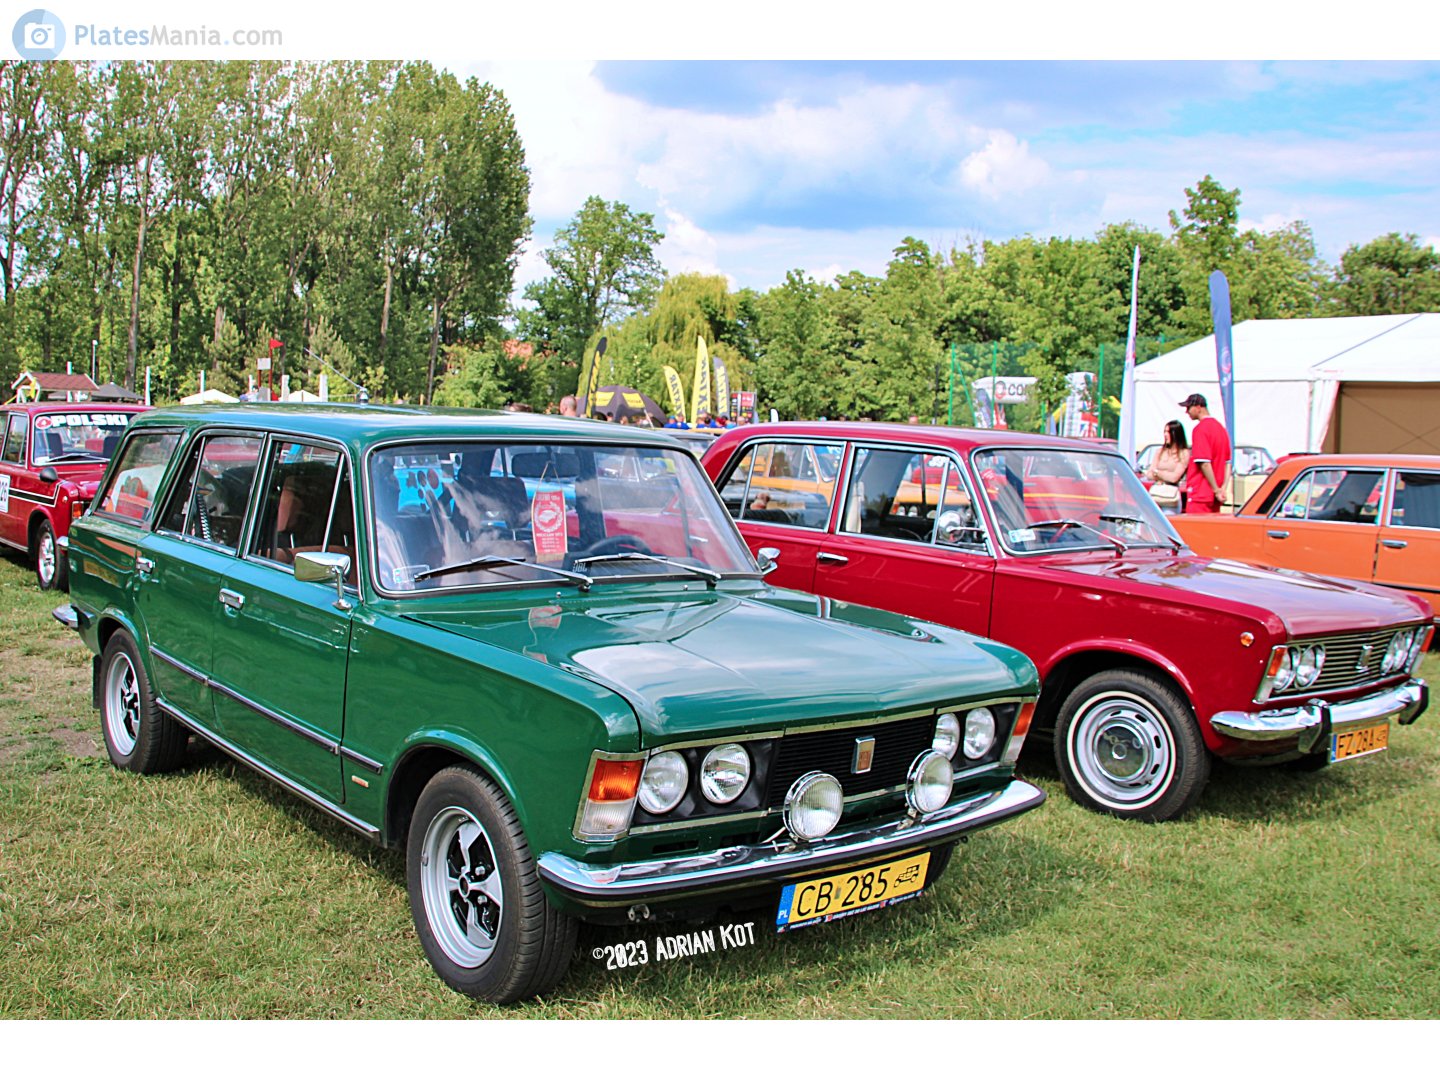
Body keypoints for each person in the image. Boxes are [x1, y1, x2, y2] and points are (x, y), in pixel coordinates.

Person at [1179, 393, 1231, 514]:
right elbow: (1227, 463)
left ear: (1198, 407)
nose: (1187, 412)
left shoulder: (1200, 429)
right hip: (1215, 496)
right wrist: (1223, 488)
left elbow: (1204, 463)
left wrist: (1216, 489)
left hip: (1201, 493)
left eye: (1188, 408)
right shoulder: (1221, 429)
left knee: (1193, 531)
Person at [1146, 419, 1191, 512]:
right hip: (1156, 495)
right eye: (1165, 432)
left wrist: (1158, 473)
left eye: (1169, 432)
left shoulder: (1184, 453)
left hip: (1170, 498)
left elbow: (1174, 477)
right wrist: (1163, 474)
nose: (1165, 435)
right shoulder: (1160, 451)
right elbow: (1149, 474)